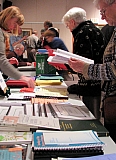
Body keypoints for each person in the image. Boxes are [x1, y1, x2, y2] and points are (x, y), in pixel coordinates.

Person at [67, 0, 116, 142]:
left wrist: (84, 68)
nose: (102, 17)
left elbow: (113, 69)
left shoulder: (84, 32)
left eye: (103, 11)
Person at [62, 7, 105, 119]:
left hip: (90, 85)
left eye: (67, 25)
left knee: (90, 116)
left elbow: (83, 61)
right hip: (99, 81)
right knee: (96, 114)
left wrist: (67, 64)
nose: (69, 28)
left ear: (72, 22)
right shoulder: (95, 29)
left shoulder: (81, 32)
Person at [0, 6, 35, 103]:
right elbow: (0, 59)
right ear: (8, 17)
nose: (14, 27)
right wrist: (22, 78)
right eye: (15, 23)